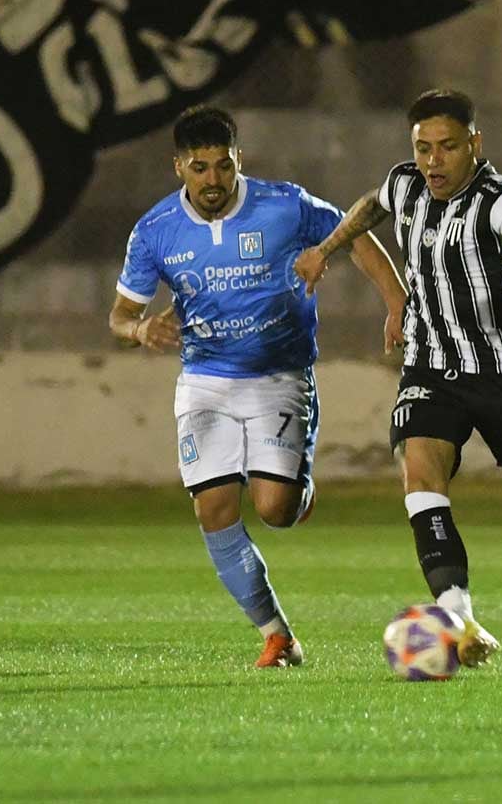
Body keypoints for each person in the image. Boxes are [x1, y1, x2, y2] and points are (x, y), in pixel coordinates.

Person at [292, 89, 502, 677]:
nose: (434, 161)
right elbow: (372, 205)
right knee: (419, 473)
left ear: (475, 144)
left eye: (447, 147)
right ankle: (459, 621)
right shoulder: (407, 185)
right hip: (431, 366)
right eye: (423, 148)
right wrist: (330, 248)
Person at [108, 106, 406, 668]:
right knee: (214, 510)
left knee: (275, 510)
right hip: (205, 382)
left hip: (279, 377)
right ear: (179, 168)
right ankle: (277, 635)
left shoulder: (284, 205)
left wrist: (395, 301)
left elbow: (355, 233)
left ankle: (298, 492)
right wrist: (140, 328)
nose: (213, 180)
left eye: (223, 166)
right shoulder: (154, 232)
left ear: (238, 159)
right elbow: (120, 316)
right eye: (200, 168)